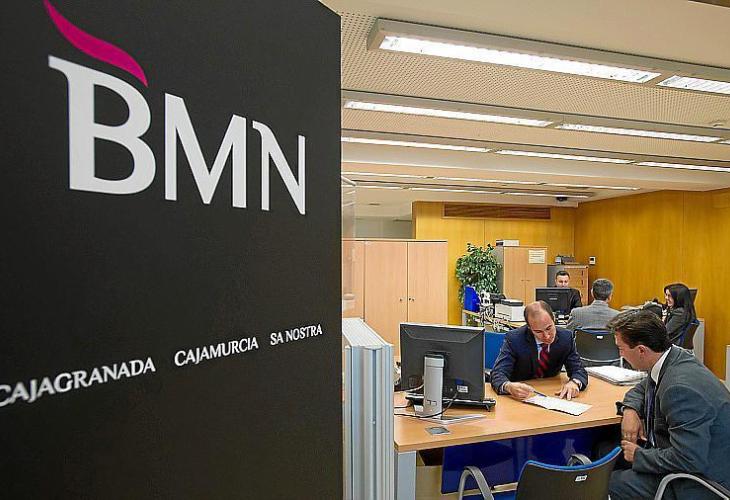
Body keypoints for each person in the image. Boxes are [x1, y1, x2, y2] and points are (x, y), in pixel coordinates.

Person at [607, 310, 730, 500]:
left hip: (700, 482)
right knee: (606, 450)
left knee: (609, 482)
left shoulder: (679, 389)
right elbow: (642, 388)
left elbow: (688, 458)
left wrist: (639, 456)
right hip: (689, 457)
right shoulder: (673, 357)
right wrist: (630, 410)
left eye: (621, 349)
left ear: (641, 350)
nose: (620, 354)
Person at [490, 301, 588, 400]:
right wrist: (508, 386)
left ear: (554, 319)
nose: (547, 336)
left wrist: (574, 383)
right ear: (529, 328)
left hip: (551, 393)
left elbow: (578, 370)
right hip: (521, 397)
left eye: (549, 328)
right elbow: (498, 373)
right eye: (538, 332)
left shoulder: (566, 338)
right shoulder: (515, 339)